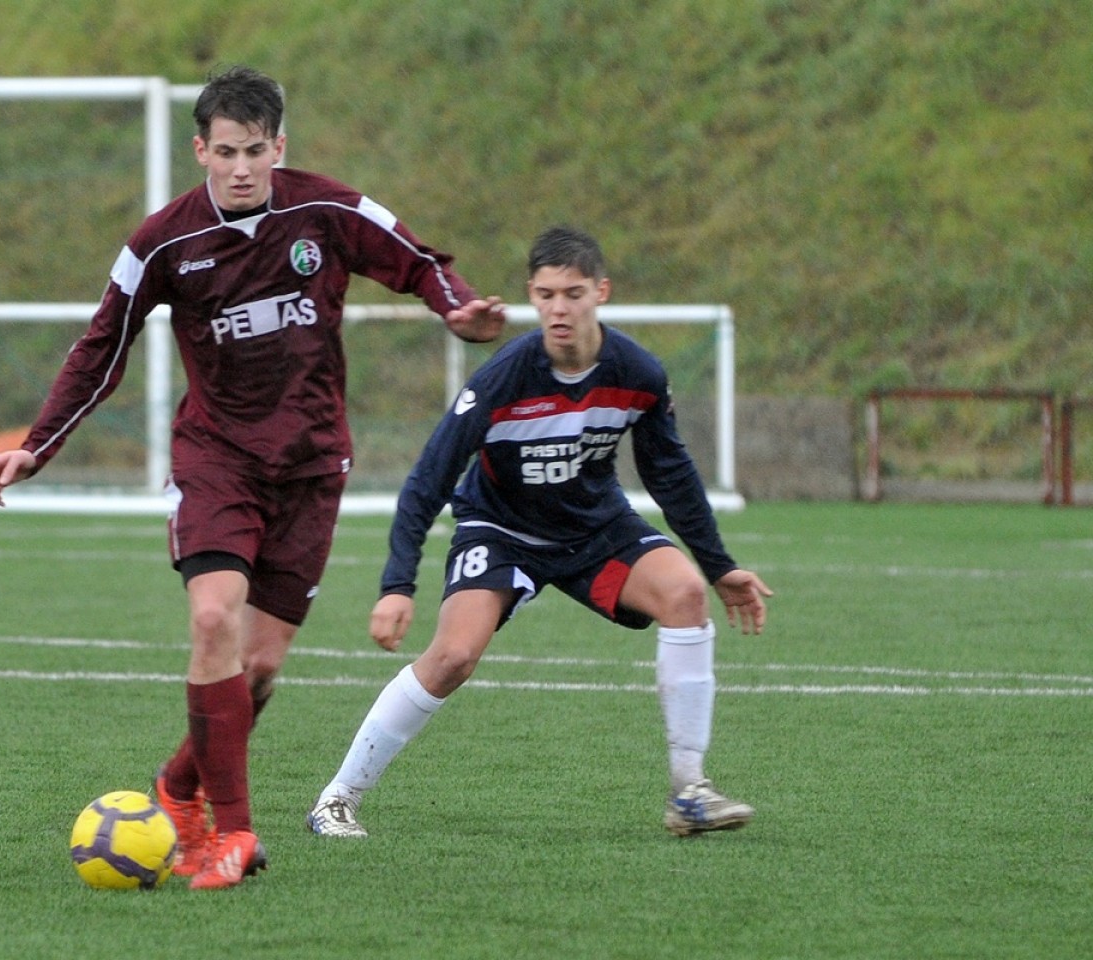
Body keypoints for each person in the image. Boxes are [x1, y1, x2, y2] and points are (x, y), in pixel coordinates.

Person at [0, 65, 505, 889]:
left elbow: (415, 258)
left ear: (279, 147)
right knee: (214, 619)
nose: (242, 167)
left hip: (311, 467)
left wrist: (458, 308)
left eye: (257, 150)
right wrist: (37, 445)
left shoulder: (323, 209)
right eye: (226, 152)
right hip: (216, 460)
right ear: (201, 151)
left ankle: (178, 789)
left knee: (257, 671)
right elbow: (101, 348)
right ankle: (232, 835)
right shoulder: (162, 243)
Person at [307, 226, 771, 840]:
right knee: (452, 657)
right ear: (532, 294)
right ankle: (337, 798)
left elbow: (672, 476)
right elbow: (427, 481)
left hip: (595, 530)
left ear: (600, 292)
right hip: (500, 530)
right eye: (546, 294)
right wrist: (397, 585)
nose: (558, 308)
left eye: (573, 293)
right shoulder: (503, 379)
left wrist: (718, 566)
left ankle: (689, 791)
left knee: (685, 595)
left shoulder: (637, 373)